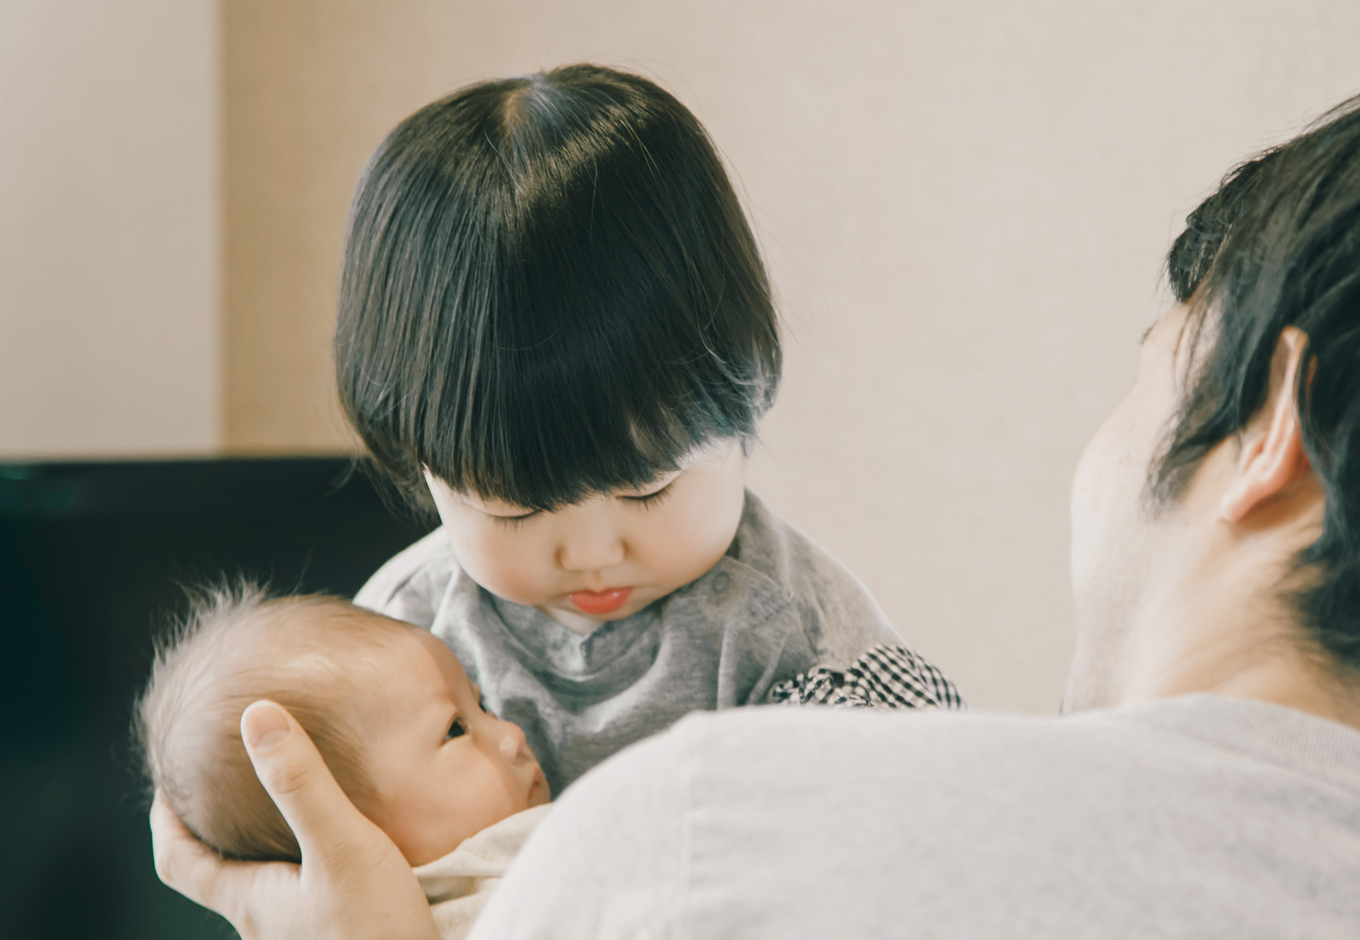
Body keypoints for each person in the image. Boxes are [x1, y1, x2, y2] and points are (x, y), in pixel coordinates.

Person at [149, 91, 1360, 940]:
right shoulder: (394, 626)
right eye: (515, 507)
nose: (587, 550)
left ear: (1269, 432)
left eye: (647, 488)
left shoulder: (782, 681)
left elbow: (885, 760)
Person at [137, 583, 550, 938]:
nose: (512, 735)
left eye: (483, 705)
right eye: (455, 730)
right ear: (344, 824)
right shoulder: (484, 904)